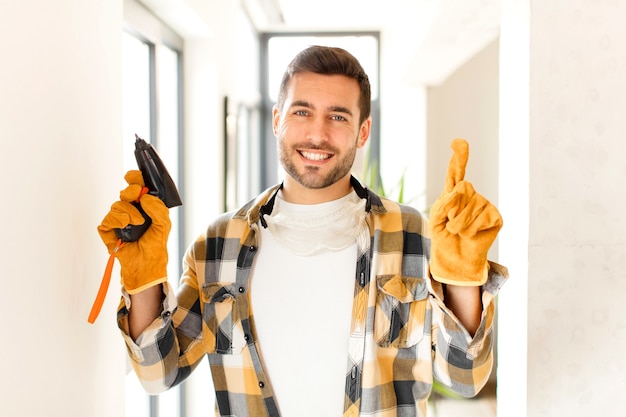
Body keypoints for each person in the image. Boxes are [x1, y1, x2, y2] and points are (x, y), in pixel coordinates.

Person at [98, 45, 508, 417]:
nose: (317, 133)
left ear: (362, 131)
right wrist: (143, 277)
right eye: (301, 111)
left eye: (338, 116)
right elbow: (157, 374)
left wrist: (462, 280)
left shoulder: (413, 234)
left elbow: (465, 378)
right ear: (277, 120)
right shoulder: (217, 245)